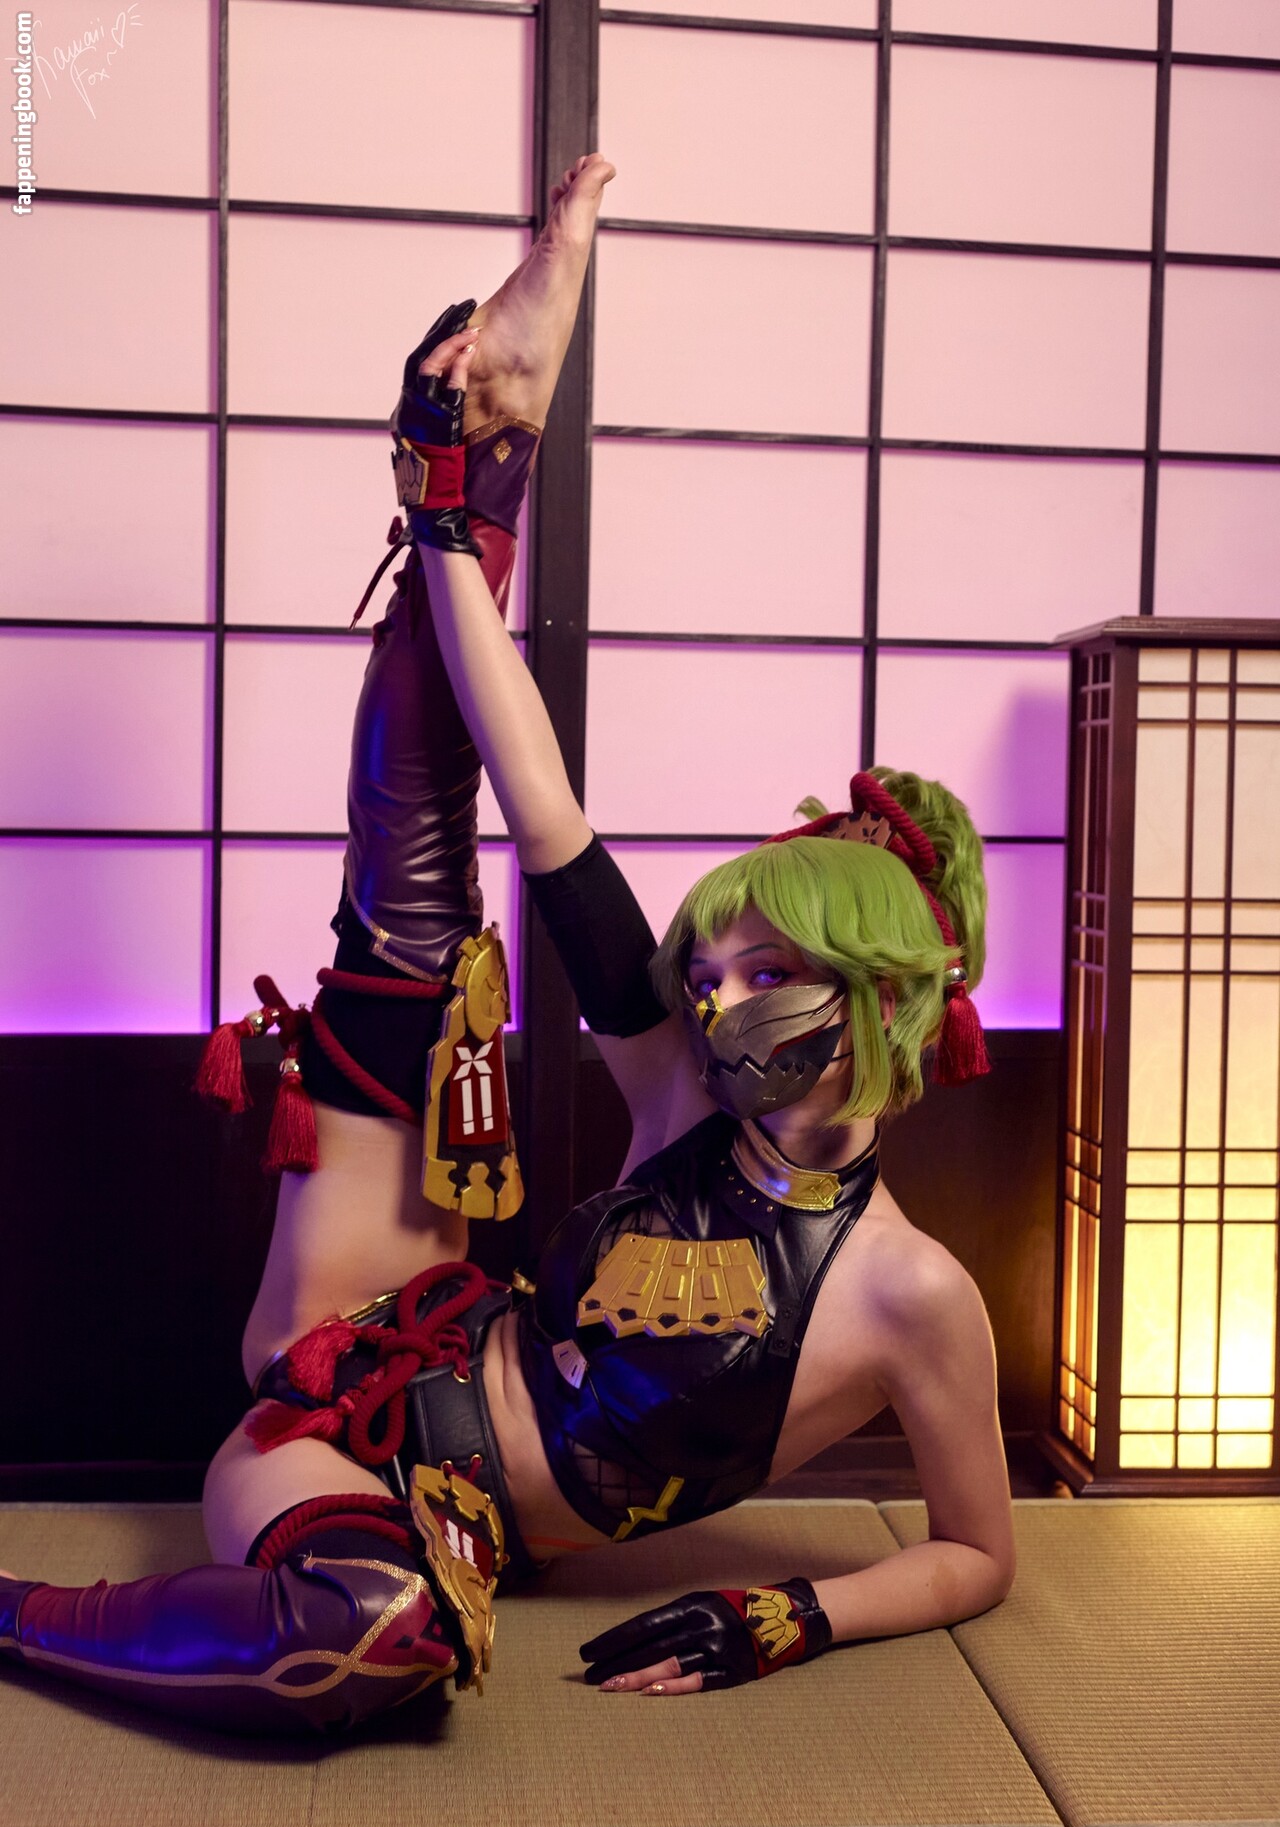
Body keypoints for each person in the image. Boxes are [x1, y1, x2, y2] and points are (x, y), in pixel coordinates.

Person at [0, 155, 1014, 1729]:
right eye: (712, 969)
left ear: (886, 1000)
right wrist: (443, 526)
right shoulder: (684, 1094)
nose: (718, 1001)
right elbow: (534, 789)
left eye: (767, 975)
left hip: (377, 1502)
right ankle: (481, 461)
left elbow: (975, 1552)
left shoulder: (917, 1296)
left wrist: (793, 1614)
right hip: (375, 1341)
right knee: (417, 891)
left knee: (375, 1638)